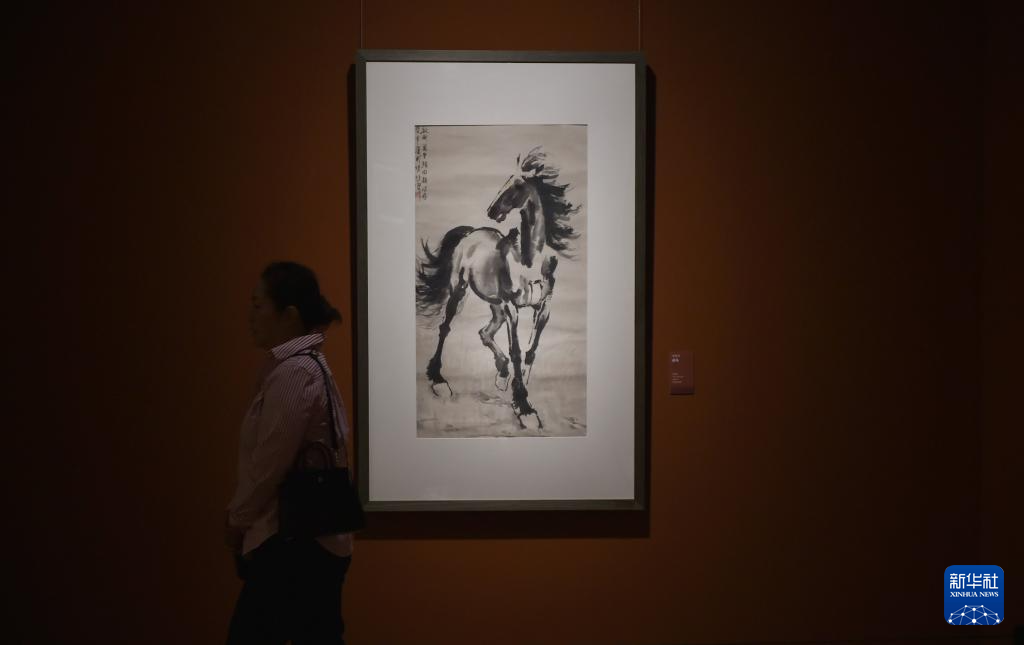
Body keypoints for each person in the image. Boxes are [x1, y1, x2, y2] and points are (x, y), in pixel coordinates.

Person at [225, 261, 354, 645]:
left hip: (293, 544)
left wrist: (237, 519)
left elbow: (269, 464)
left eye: (258, 305)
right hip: (311, 543)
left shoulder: (295, 372)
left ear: (289, 315)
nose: (250, 316)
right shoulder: (307, 366)